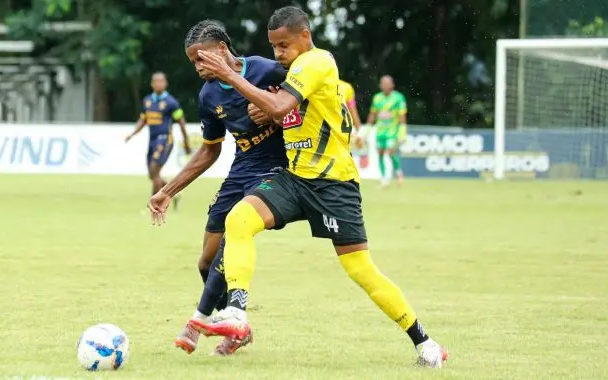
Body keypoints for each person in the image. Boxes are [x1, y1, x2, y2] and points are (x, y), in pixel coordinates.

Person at [179, 6, 448, 368]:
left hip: (335, 184)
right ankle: (236, 315)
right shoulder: (288, 71)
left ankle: (425, 342)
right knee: (239, 220)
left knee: (361, 271)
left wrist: (243, 84)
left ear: (305, 35)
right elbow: (282, 107)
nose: (279, 54)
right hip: (296, 179)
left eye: (285, 45)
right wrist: (265, 108)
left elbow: (281, 103)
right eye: (274, 47)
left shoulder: (318, 61)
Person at [147, 20, 288, 356]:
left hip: (275, 170)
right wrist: (169, 189)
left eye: (201, 58)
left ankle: (199, 321)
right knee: (205, 262)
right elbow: (211, 149)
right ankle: (237, 330)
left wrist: (276, 114)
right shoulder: (208, 96)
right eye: (192, 61)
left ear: (223, 49)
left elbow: (304, 105)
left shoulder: (268, 70)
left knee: (231, 236)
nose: (197, 66)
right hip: (241, 170)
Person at [125, 72, 191, 208]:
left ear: (165, 84)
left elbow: (182, 123)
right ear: (152, 84)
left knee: (154, 169)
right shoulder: (147, 101)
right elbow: (143, 120)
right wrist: (132, 134)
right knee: (152, 174)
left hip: (165, 139)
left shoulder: (171, 103)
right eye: (156, 82)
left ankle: (153, 204)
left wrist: (186, 142)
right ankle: (173, 193)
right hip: (152, 140)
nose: (158, 84)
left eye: (161, 81)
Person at [366, 75, 408, 187]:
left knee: (391, 152)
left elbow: (402, 116)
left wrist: (402, 132)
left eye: (386, 83)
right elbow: (372, 114)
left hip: (392, 132)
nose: (384, 85)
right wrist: (367, 130)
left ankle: (399, 173)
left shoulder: (398, 98)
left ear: (392, 85)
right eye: (382, 83)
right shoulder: (377, 98)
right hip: (380, 132)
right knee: (380, 153)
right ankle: (384, 179)